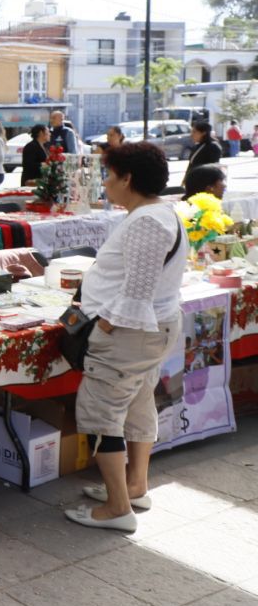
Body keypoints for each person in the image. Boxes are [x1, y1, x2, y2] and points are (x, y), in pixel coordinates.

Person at [66, 142, 187, 534]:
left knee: (103, 415)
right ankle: (134, 487)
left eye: (108, 175)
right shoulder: (154, 215)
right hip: (145, 332)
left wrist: (104, 327)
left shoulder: (149, 220)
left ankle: (118, 509)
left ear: (127, 178)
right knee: (135, 405)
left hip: (129, 335)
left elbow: (137, 291)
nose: (105, 183)